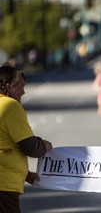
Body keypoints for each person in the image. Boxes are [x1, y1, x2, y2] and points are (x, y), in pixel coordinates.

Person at [0, 64, 53, 213]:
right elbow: (30, 146)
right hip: (4, 186)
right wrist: (45, 145)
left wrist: (26, 175)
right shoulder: (10, 106)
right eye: (21, 87)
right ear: (9, 86)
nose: (23, 92)